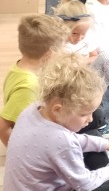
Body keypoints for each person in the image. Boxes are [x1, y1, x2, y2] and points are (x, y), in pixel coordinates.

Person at [3, 53, 109, 191]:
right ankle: (104, 184)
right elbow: (84, 184)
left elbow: (70, 140)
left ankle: (101, 178)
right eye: (84, 114)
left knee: (93, 135)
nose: (89, 119)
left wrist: (107, 144)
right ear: (58, 109)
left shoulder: (33, 109)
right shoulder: (61, 141)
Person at [0, 14, 67, 147]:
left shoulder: (19, 67)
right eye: (61, 49)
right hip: (33, 140)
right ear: (49, 55)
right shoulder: (28, 87)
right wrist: (17, 151)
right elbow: (3, 126)